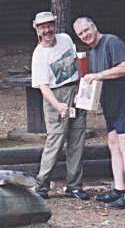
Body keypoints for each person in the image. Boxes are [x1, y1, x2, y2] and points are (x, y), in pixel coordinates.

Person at [73, 17, 125, 209]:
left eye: (86, 30)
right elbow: (94, 81)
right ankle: (118, 189)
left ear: (94, 26)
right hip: (112, 104)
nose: (85, 35)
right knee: (113, 144)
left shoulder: (111, 42)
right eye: (80, 34)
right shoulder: (92, 52)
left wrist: (97, 75)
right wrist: (82, 96)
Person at [31, 11, 89, 200]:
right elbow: (42, 86)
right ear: (37, 30)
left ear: (55, 26)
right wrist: (58, 105)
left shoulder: (65, 39)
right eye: (43, 27)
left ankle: (74, 186)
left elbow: (76, 62)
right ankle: (42, 184)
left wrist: (81, 89)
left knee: (77, 141)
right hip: (55, 95)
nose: (47, 30)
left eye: (49, 25)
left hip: (74, 91)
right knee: (55, 142)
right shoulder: (39, 54)